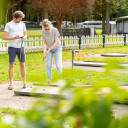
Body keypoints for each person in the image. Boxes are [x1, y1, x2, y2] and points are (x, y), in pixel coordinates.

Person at [3, 11, 27, 90]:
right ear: (15, 18)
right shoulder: (9, 25)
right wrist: (13, 38)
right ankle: (11, 84)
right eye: (19, 18)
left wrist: (24, 37)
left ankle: (24, 83)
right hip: (12, 47)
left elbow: (25, 34)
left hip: (21, 47)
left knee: (22, 65)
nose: (20, 20)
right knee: (11, 65)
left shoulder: (22, 24)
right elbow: (4, 37)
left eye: (21, 19)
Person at [42, 19, 62, 84]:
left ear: (50, 26)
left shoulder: (55, 30)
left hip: (57, 48)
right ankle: (49, 80)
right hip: (48, 49)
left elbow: (56, 42)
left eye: (48, 29)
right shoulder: (43, 31)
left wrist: (49, 50)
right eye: (46, 29)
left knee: (58, 65)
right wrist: (45, 52)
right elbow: (45, 43)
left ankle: (60, 80)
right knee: (48, 65)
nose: (47, 30)